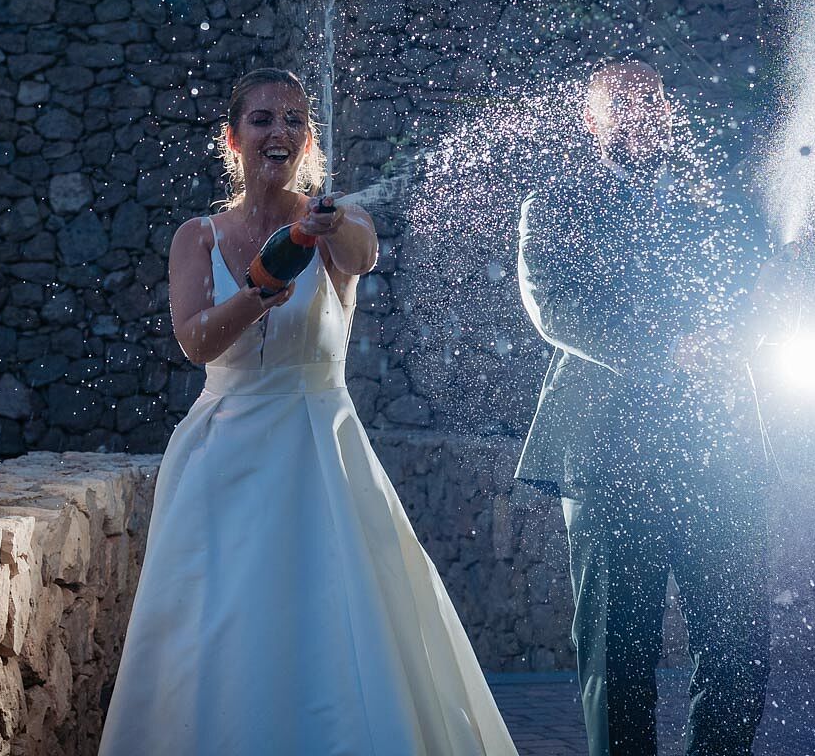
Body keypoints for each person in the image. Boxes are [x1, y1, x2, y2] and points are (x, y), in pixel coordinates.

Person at [99, 68, 517, 755]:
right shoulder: (196, 238)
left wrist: (315, 229)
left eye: (294, 119)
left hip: (323, 454)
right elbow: (196, 340)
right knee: (222, 637)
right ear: (232, 139)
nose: (279, 131)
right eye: (263, 119)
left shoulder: (338, 222)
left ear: (309, 140)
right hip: (222, 461)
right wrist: (264, 281)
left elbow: (365, 254)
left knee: (333, 628)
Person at [515, 59, 772, 756]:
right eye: (624, 102)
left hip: (718, 455)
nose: (645, 111)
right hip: (609, 458)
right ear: (591, 119)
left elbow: (755, 292)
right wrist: (669, 351)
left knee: (741, 652)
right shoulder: (558, 202)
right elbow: (556, 310)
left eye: (655, 98)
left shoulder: (712, 200)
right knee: (618, 661)